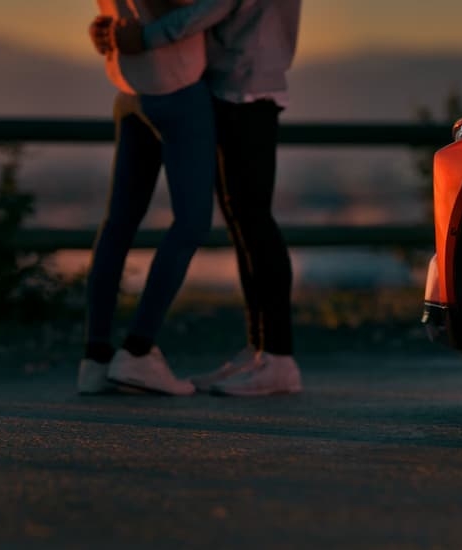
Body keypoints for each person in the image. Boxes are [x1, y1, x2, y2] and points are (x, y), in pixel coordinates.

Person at [90, 0, 304, 397]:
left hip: (248, 86)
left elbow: (211, 6)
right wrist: (118, 31)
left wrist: (142, 37)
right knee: (242, 221)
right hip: (229, 83)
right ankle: (262, 351)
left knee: (252, 221)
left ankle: (277, 358)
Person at [77, 0, 216, 396]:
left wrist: (110, 29)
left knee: (118, 222)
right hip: (174, 85)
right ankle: (138, 350)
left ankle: (95, 358)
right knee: (192, 222)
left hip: (128, 88)